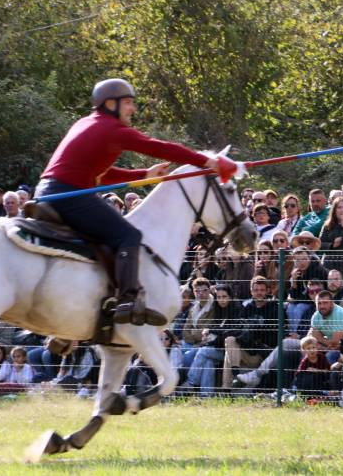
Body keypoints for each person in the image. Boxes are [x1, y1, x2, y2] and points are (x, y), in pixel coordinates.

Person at [33, 78, 237, 326]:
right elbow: (159, 147)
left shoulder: (87, 124)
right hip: (69, 194)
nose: (133, 109)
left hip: (51, 191)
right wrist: (206, 162)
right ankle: (127, 300)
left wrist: (143, 175)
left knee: (102, 242)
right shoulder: (112, 129)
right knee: (129, 236)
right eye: (128, 103)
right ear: (111, 104)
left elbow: (100, 173)